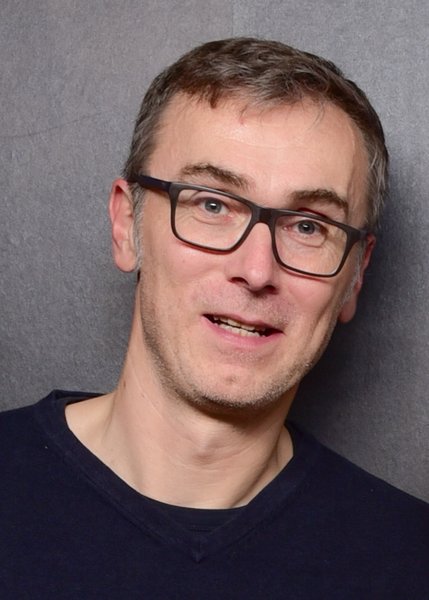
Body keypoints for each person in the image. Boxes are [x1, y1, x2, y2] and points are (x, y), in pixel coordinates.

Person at [1, 38, 427, 599]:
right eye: (212, 204)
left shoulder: (411, 560)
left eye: (308, 226)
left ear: (356, 274)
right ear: (127, 226)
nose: (256, 270)